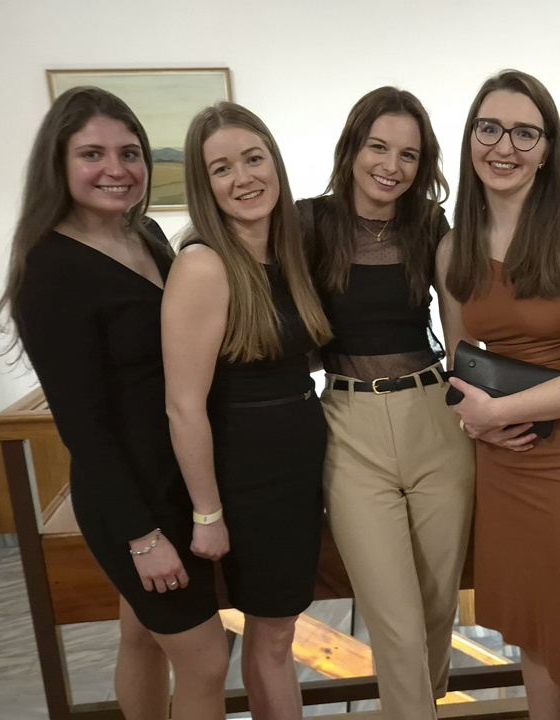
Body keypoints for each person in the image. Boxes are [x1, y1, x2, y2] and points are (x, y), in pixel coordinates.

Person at [0, 86, 228, 719]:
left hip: (178, 474)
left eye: (129, 153)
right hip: (132, 497)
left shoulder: (144, 233)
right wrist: (141, 536)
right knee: (206, 660)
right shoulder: (50, 270)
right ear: (58, 163)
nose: (116, 169)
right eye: (92, 154)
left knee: (142, 636)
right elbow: (83, 424)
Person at [438, 69, 560, 720]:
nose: (505, 147)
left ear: (547, 149)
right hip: (505, 457)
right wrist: (477, 423)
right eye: (489, 129)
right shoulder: (452, 248)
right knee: (531, 633)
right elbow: (461, 363)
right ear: (470, 137)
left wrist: (499, 412)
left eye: (525, 133)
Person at [297, 87, 474, 720]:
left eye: (408, 154)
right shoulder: (307, 223)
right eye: (378, 147)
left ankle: (420, 706)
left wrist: (480, 409)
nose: (391, 166)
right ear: (352, 147)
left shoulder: (430, 225)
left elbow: (458, 336)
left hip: (434, 418)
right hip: (350, 425)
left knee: (437, 605)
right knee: (393, 617)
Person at [162, 102, 332, 720]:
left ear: (274, 163)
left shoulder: (285, 255)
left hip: (293, 473)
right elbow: (184, 406)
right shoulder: (203, 264)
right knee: (272, 636)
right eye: (222, 168)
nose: (244, 178)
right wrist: (208, 513)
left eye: (253, 158)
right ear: (203, 185)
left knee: (279, 632)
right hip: (248, 479)